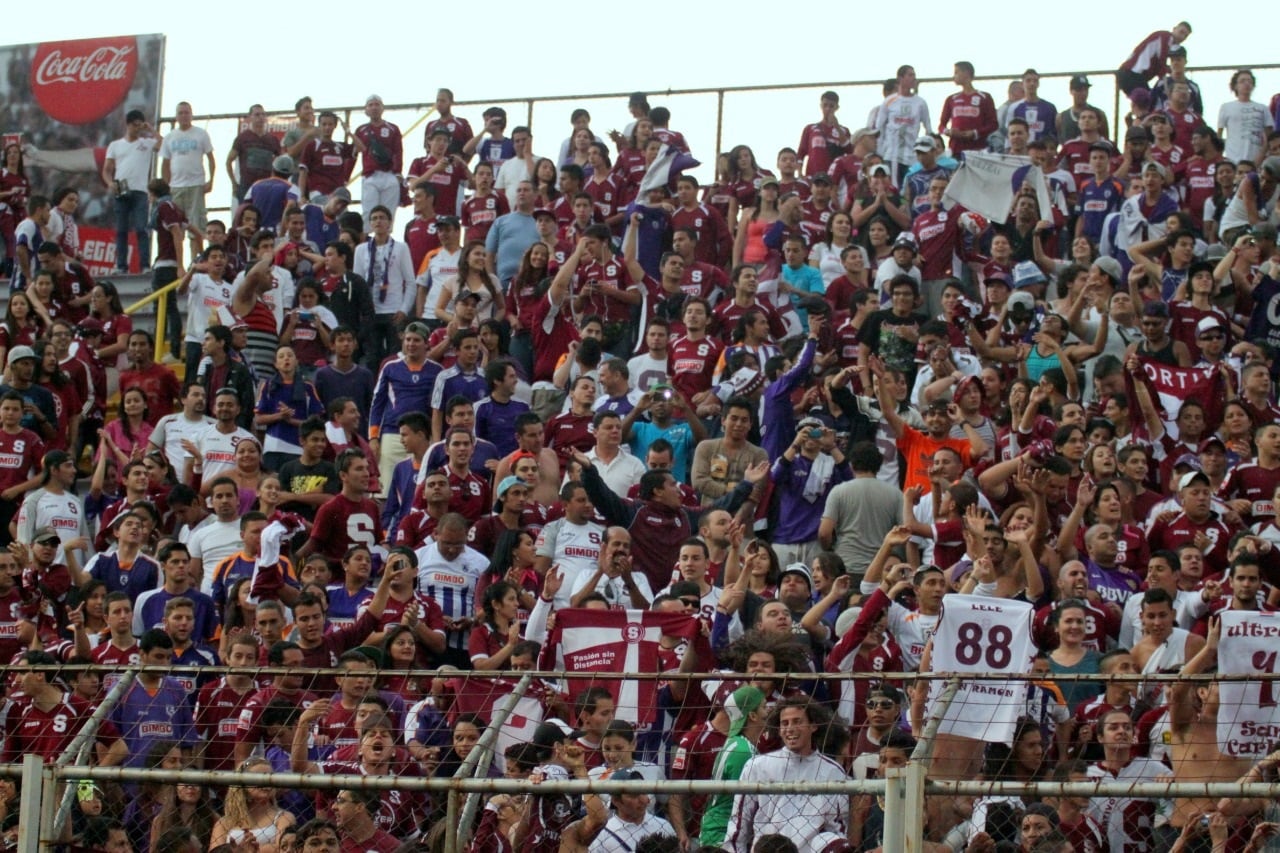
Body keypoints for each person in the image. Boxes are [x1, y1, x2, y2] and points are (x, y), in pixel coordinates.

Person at [723, 696, 848, 853]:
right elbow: (739, 825)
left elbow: (836, 830)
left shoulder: (833, 772)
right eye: (785, 723)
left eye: (797, 722)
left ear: (814, 725)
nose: (790, 728)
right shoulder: (757, 766)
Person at [103, 109, 162, 274]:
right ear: (127, 125)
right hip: (122, 189)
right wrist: (110, 183)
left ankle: (145, 265)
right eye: (135, 125)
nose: (137, 129)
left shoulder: (146, 143)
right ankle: (121, 266)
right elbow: (107, 169)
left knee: (141, 229)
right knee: (121, 230)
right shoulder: (115, 145)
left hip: (140, 191)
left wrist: (150, 129)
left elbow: (163, 144)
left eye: (139, 126)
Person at [352, 95, 403, 223]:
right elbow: (353, 154)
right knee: (369, 212)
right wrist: (345, 177)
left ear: (382, 108)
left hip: (389, 174)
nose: (374, 108)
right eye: (370, 105)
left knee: (389, 212)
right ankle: (367, 234)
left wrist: (398, 172)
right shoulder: (361, 130)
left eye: (377, 104)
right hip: (370, 175)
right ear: (366, 109)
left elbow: (398, 151)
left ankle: (387, 235)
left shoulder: (393, 129)